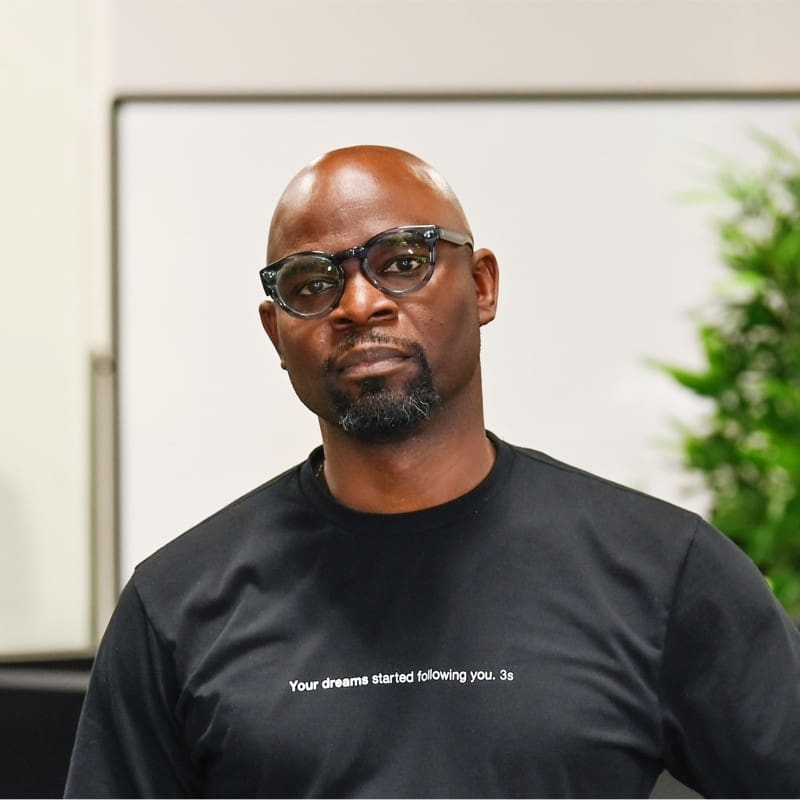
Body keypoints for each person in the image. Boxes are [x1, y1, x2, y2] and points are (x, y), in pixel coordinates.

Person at [65, 145, 800, 798]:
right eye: (312, 282)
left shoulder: (662, 571)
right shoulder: (176, 606)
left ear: (481, 286)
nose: (359, 303)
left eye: (403, 262)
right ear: (275, 331)